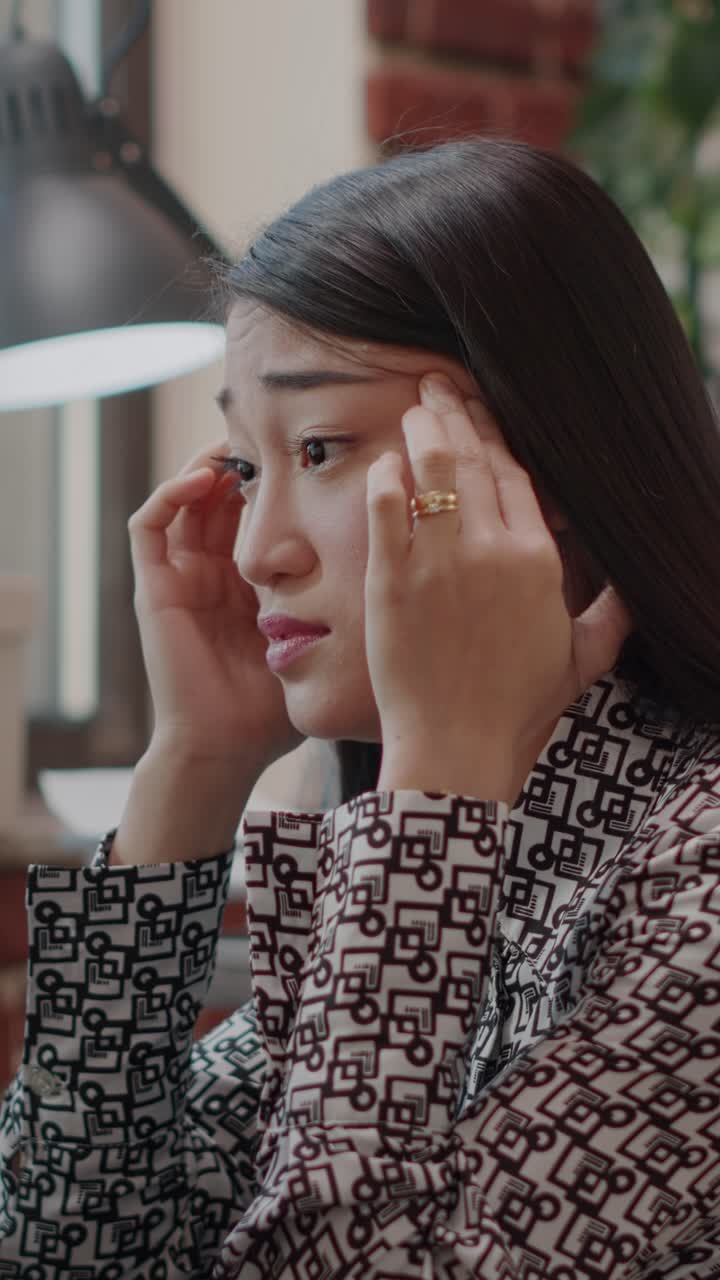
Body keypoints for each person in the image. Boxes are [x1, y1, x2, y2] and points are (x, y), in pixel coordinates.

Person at [1, 135, 720, 1279]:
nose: (253, 549)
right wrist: (192, 763)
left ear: (544, 473)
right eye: (244, 467)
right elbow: (63, 1245)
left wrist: (434, 800)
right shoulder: (443, 823)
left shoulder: (697, 871)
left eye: (320, 447)